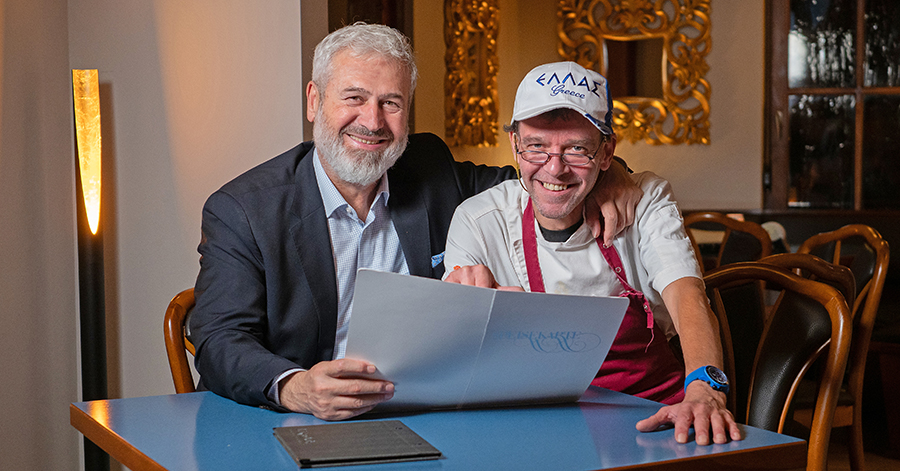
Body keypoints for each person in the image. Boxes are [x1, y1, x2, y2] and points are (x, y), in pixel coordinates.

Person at [189, 23, 640, 421]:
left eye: (391, 102)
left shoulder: (430, 167)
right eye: (354, 98)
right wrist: (294, 388)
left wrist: (610, 173)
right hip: (293, 421)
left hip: (429, 413)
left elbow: (541, 176)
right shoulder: (243, 209)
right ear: (314, 101)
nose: (372, 121)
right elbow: (220, 340)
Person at [442, 61, 742, 445]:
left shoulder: (647, 200)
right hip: (538, 429)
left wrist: (705, 391)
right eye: (536, 146)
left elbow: (688, 297)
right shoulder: (479, 220)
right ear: (515, 144)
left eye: (576, 149)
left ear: (606, 152)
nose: (555, 169)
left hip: (657, 420)